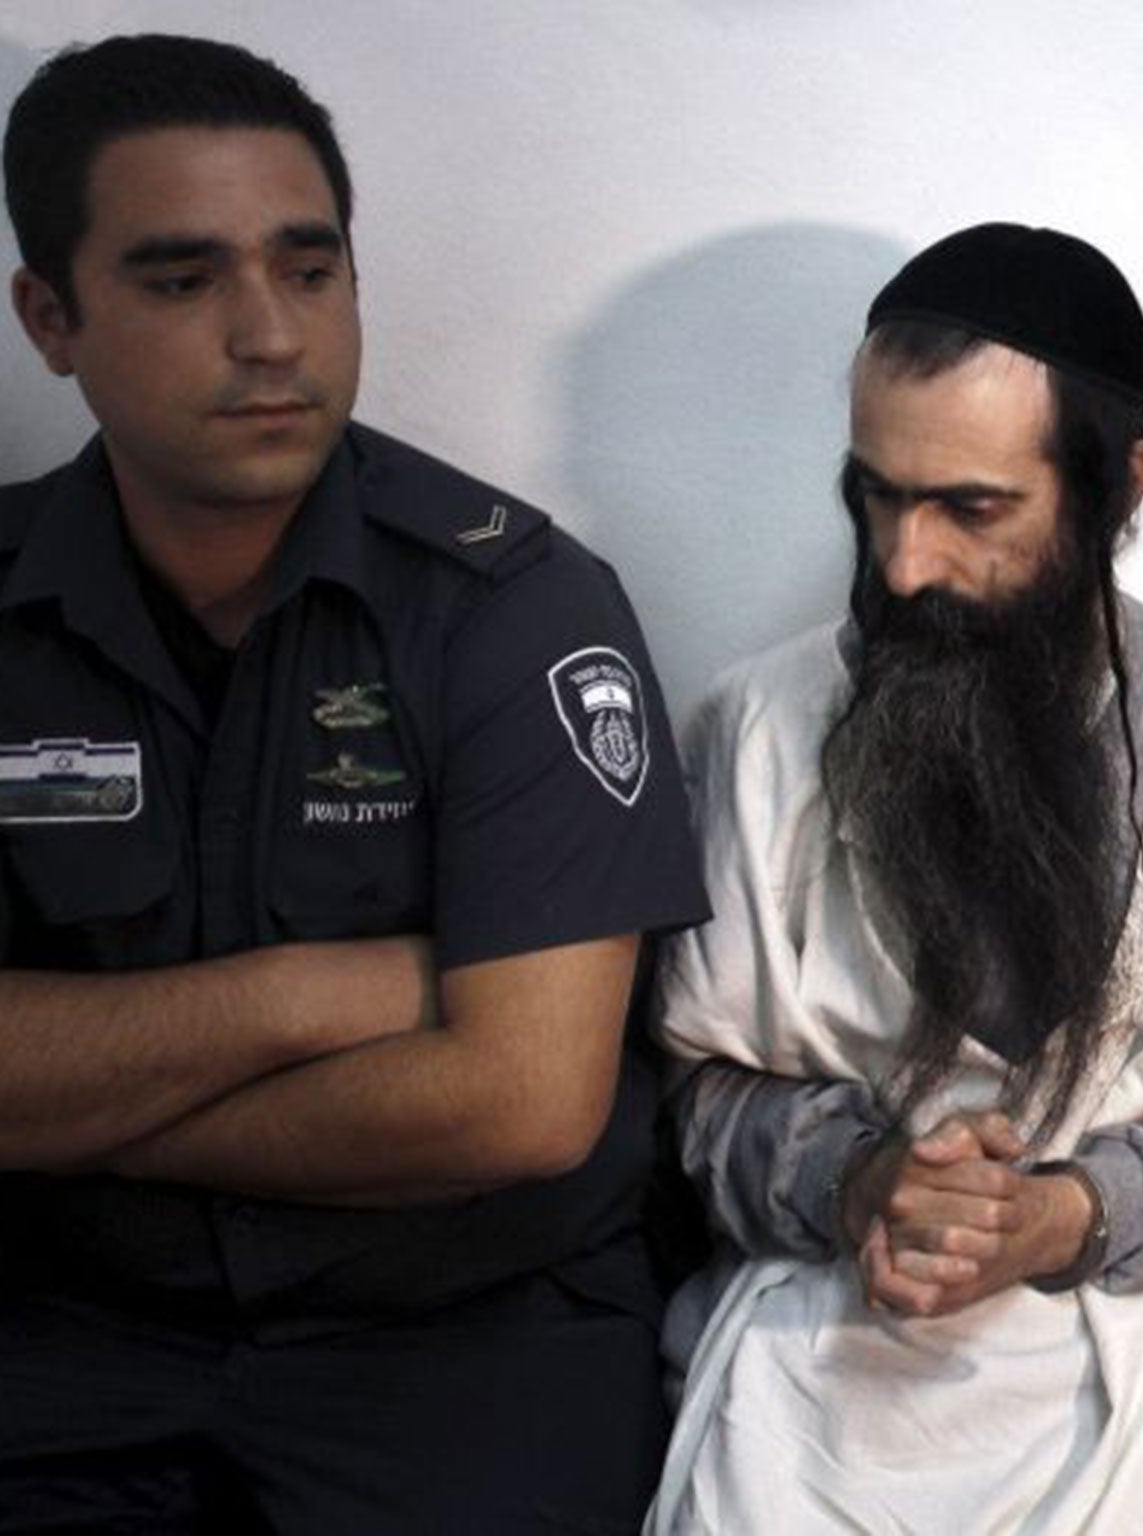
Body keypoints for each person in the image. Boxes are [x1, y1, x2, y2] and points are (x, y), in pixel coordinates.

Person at [0, 34, 706, 1534]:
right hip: (67, 1334)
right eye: (183, 281)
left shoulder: (518, 610)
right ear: (49, 318)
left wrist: (79, 1107)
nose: (269, 336)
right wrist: (311, 997)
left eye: (309, 271)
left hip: (463, 1342)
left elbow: (516, 1106)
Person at [645, 222, 1143, 1534]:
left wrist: (1072, 1217)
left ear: (1120, 485)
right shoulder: (757, 729)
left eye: (972, 509)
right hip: (822, 1362)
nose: (905, 564)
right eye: (876, 495)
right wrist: (860, 1181)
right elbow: (694, 1101)